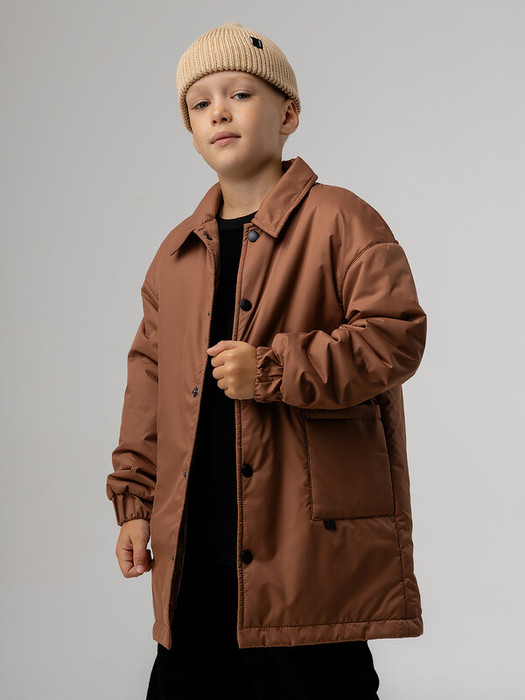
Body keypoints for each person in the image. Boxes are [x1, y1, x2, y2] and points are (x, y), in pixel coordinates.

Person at [106, 21, 427, 700]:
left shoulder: (341, 220)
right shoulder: (175, 255)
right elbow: (148, 384)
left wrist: (273, 371)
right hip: (197, 552)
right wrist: (134, 502)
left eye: (240, 94)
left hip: (305, 551)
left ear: (288, 115)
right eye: (200, 103)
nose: (218, 112)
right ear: (192, 131)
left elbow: (395, 336)